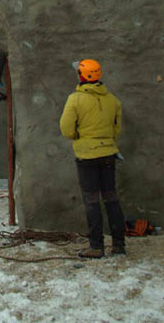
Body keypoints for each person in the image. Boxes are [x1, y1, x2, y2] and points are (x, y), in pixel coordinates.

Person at [60, 59, 126, 258]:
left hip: (86, 155)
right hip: (108, 153)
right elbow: (116, 128)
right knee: (111, 198)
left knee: (92, 200)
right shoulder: (113, 100)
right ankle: (119, 245)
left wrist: (79, 137)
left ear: (81, 76)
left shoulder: (75, 99)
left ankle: (96, 247)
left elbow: (66, 130)